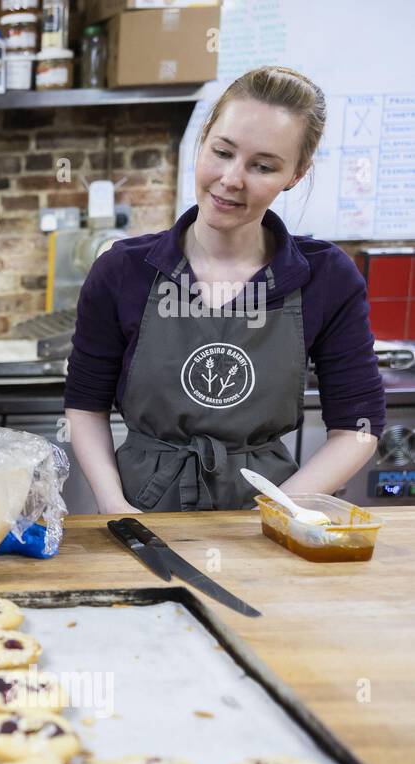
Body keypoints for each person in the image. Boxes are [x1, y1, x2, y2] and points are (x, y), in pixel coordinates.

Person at [65, 66, 383, 512]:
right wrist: (116, 506)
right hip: (141, 515)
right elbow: (85, 407)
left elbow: (357, 428)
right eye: (223, 152)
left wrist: (276, 511)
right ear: (204, 139)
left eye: (263, 166)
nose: (233, 179)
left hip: (268, 515)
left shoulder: (327, 277)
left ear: (295, 174)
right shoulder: (123, 270)